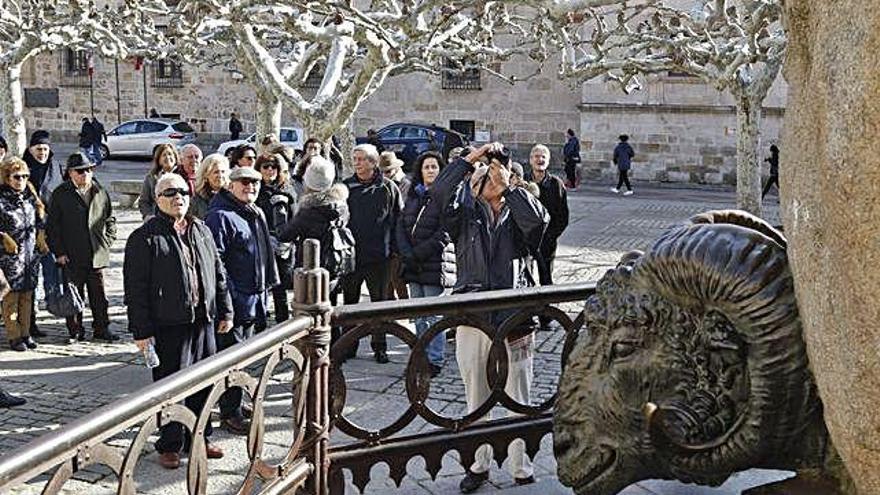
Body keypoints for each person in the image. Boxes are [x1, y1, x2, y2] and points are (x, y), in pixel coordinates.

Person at [440, 143, 548, 492]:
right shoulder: (465, 215)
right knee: (477, 394)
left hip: (514, 318)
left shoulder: (519, 213)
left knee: (520, 393)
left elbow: (539, 222)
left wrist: (511, 186)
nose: (491, 178)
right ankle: (478, 464)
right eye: (485, 174)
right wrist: (468, 161)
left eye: (496, 173)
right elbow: (441, 195)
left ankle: (521, 466)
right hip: (473, 316)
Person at [124, 173, 232, 469]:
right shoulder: (144, 237)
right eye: (170, 193)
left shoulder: (201, 229)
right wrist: (141, 331)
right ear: (158, 199)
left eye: (183, 191)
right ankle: (170, 443)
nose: (178, 197)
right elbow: (135, 289)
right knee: (171, 389)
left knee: (205, 383)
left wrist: (225, 310)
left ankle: (200, 436)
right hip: (168, 325)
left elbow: (218, 272)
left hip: (203, 322)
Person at [205, 166, 278, 435]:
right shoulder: (220, 216)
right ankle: (229, 412)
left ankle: (233, 403)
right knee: (230, 359)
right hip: (234, 303)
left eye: (255, 183)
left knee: (242, 357)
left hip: (253, 300)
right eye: (245, 183)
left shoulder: (255, 212)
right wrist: (230, 300)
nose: (251, 187)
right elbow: (216, 262)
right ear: (232, 185)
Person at [46, 152, 118, 342]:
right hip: (72, 254)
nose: (84, 174)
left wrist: (107, 240)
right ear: (70, 173)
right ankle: (75, 330)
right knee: (74, 295)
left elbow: (110, 219)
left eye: (88, 170)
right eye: (79, 171)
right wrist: (59, 252)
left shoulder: (100, 191)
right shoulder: (61, 194)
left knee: (99, 297)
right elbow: (53, 227)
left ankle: (102, 328)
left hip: (96, 254)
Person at [395, 151, 455, 377]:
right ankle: (420, 354)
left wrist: (418, 252)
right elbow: (401, 224)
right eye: (426, 167)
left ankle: (434, 359)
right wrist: (406, 251)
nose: (430, 170)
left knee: (433, 316)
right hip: (412, 264)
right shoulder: (414, 196)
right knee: (418, 315)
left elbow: (445, 233)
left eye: (434, 167)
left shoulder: (445, 197)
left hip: (434, 263)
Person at [342, 144, 402, 364]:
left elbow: (398, 220)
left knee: (379, 305)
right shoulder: (346, 187)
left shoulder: (388, 188)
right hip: (351, 257)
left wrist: (396, 251)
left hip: (380, 257)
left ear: (373, 162)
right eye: (354, 159)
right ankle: (349, 345)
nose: (357, 163)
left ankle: (380, 346)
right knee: (350, 304)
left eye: (361, 159)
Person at [279, 155, 349, 294]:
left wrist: (279, 214)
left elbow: (285, 235)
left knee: (309, 307)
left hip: (311, 266)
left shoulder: (308, 211)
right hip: (334, 262)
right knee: (331, 304)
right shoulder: (341, 205)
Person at [0, 158, 48, 351]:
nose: (21, 180)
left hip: (29, 256)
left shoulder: (29, 196)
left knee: (27, 297)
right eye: (17, 177)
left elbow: (39, 218)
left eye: (25, 176)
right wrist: (3, 237)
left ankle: (26, 333)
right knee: (11, 299)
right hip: (9, 258)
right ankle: (14, 336)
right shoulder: (2, 200)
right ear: (7, 177)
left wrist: (41, 235)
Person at [22, 130, 62, 339]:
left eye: (45, 149)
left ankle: (54, 310)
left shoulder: (55, 166)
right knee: (30, 281)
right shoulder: (22, 168)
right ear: (31, 149)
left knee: (51, 276)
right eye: (39, 149)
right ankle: (29, 323)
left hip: (51, 231)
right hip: (27, 234)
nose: (42, 153)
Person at [527, 145, 569, 327]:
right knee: (524, 279)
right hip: (526, 242)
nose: (540, 159)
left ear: (548, 160)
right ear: (530, 160)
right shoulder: (523, 182)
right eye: (536, 156)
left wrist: (551, 236)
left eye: (543, 156)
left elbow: (563, 216)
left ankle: (546, 318)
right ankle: (525, 317)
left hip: (547, 243)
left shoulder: (556, 184)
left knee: (546, 279)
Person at [255, 154, 297, 327]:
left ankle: (282, 324)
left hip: (283, 243)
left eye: (273, 167)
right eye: (265, 167)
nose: (270, 170)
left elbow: (295, 217)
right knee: (261, 284)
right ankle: (261, 323)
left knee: (280, 288)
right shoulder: (255, 190)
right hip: (260, 240)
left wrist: (288, 240)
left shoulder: (287, 190)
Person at [378, 151, 410, 301]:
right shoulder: (380, 184)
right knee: (387, 282)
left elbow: (402, 212)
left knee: (397, 278)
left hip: (399, 237)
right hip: (385, 237)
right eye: (383, 172)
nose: (385, 174)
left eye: (388, 171)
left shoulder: (404, 185)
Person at [138, 144, 180, 219]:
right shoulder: (151, 177)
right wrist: (149, 216)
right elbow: (144, 201)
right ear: (158, 159)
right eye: (164, 155)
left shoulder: (182, 175)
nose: (167, 157)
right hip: (158, 217)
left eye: (170, 154)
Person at [191, 154, 230, 220]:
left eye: (223, 172)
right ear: (206, 175)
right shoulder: (196, 201)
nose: (220, 175)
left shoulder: (232, 197)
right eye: (216, 172)